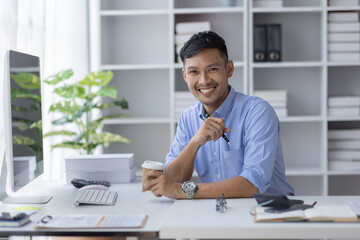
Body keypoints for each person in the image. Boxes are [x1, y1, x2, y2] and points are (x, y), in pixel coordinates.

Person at [142, 31, 294, 199]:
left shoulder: (258, 112)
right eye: (194, 72)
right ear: (185, 76)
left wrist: (182, 190)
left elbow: (252, 185)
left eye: (212, 69)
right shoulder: (187, 118)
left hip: (268, 213)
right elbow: (170, 182)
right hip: (219, 211)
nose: (204, 80)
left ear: (229, 69)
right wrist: (195, 142)